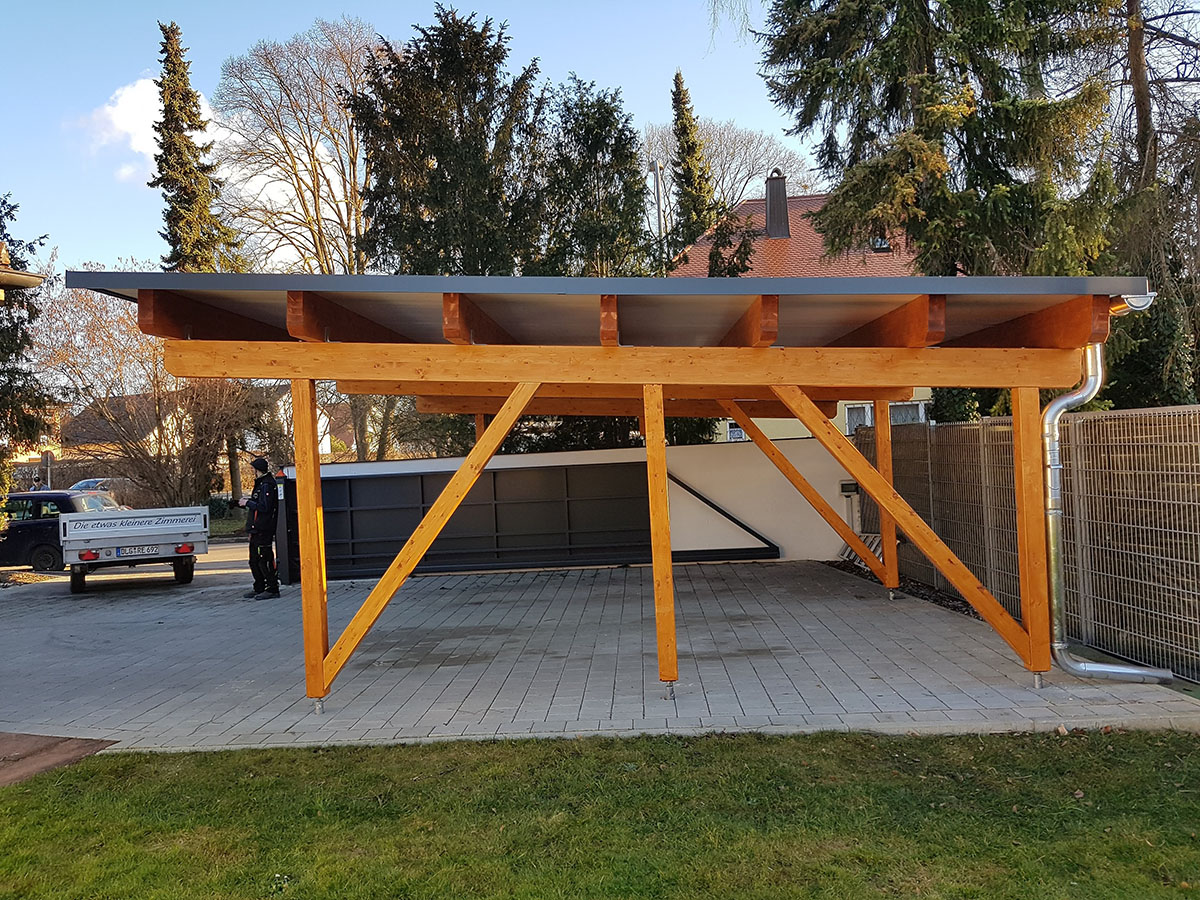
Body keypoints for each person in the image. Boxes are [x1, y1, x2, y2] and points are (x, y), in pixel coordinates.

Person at [238, 457, 280, 599]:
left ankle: (272, 588)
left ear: (258, 470)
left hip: (263, 528)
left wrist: (248, 503)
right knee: (254, 560)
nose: (252, 472)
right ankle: (259, 586)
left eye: (253, 469)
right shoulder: (261, 484)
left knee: (264, 558)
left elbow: (264, 507)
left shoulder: (267, 485)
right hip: (256, 528)